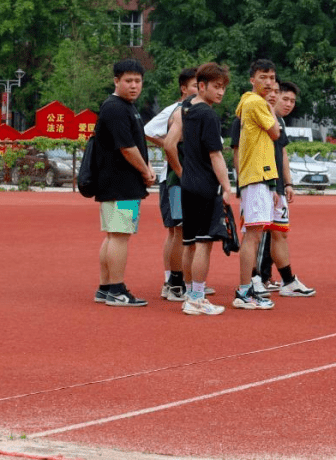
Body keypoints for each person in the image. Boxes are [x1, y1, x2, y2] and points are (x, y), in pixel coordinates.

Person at [230, 80, 316, 298]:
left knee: (279, 233)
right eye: (276, 93)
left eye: (283, 95)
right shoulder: (246, 115)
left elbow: (283, 153)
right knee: (255, 234)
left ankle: (287, 280)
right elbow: (237, 152)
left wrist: (287, 183)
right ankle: (252, 281)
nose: (277, 97)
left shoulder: (278, 123)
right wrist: (242, 182)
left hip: (274, 182)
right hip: (256, 181)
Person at [168, 63, 232, 316]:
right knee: (204, 244)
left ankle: (189, 293)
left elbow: (170, 143)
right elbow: (216, 155)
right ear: (202, 85)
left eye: (223, 88)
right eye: (216, 87)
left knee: (189, 243)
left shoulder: (185, 108)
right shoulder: (208, 115)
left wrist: (183, 172)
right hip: (205, 185)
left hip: (187, 183)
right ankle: (196, 297)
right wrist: (227, 186)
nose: (221, 93)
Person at [93, 59, 156, 307]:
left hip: (115, 182)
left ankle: (106, 287)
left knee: (112, 235)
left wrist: (145, 167)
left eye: (138, 81)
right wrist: (145, 171)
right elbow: (127, 148)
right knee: (120, 235)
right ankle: (117, 290)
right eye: (128, 81)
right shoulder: (117, 108)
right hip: (122, 183)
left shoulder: (124, 107)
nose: (134, 86)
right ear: (116, 81)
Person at [144, 67, 198, 302]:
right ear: (184, 88)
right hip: (175, 180)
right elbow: (146, 131)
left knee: (178, 231)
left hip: (183, 179)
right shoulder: (175, 110)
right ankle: (175, 282)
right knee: (179, 231)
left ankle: (176, 280)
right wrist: (170, 145)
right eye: (196, 85)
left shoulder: (197, 111)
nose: (200, 89)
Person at [231, 59, 281, 310]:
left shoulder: (248, 103)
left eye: (272, 77)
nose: (269, 82)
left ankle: (247, 288)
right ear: (252, 79)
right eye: (263, 77)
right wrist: (272, 106)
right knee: (252, 236)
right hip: (256, 175)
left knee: (255, 234)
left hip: (258, 175)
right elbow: (275, 132)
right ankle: (244, 291)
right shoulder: (255, 103)